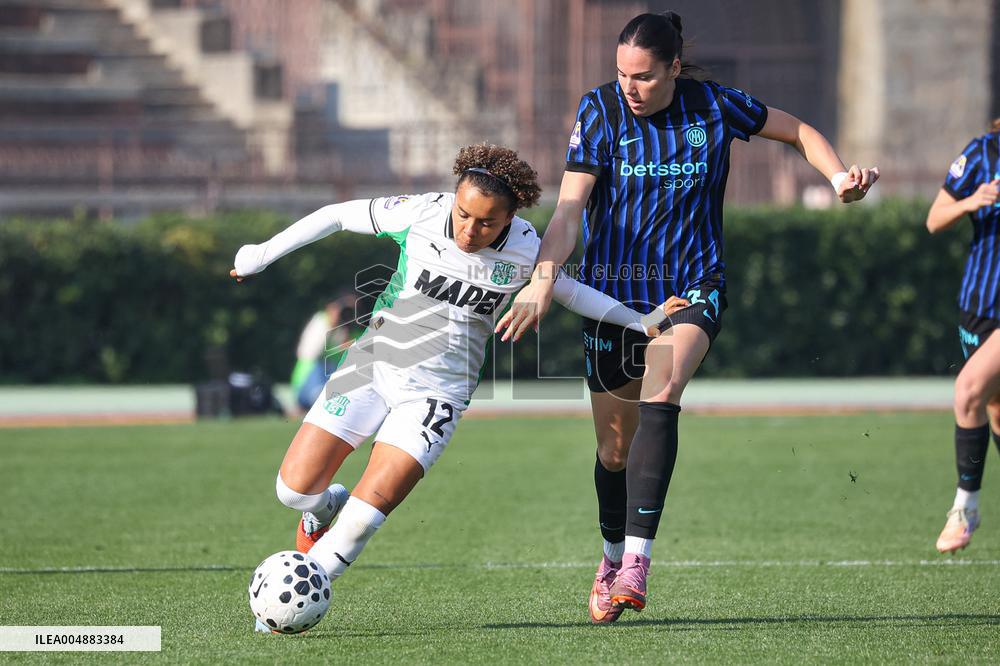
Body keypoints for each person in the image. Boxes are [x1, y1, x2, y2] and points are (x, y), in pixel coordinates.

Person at [496, 11, 879, 622]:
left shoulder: (714, 105)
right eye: (622, 74)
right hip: (614, 298)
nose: (630, 87)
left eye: (644, 76)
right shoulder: (598, 112)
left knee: (664, 384)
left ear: (674, 68)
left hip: (694, 287)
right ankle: (613, 551)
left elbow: (800, 129)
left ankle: (638, 563)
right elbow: (569, 212)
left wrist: (837, 178)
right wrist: (544, 281)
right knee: (613, 449)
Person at [230, 143, 685, 633]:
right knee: (293, 491)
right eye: (463, 213)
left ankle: (295, 599)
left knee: (370, 509)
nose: (469, 230)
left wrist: (642, 322)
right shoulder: (421, 213)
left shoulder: (528, 248)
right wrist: (261, 253)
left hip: (437, 396)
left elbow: (570, 292)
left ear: (511, 217)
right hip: (371, 367)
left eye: (486, 223)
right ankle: (323, 507)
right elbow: (337, 215)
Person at [926, 118, 1000, 553]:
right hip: (979, 306)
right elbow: (935, 219)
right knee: (994, 407)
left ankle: (964, 508)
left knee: (968, 391)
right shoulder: (982, 152)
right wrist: (972, 200)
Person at [290, 293, 358, 411]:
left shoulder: (341, 329)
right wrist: (331, 327)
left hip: (325, 378)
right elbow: (310, 353)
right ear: (331, 307)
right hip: (306, 378)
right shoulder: (320, 321)